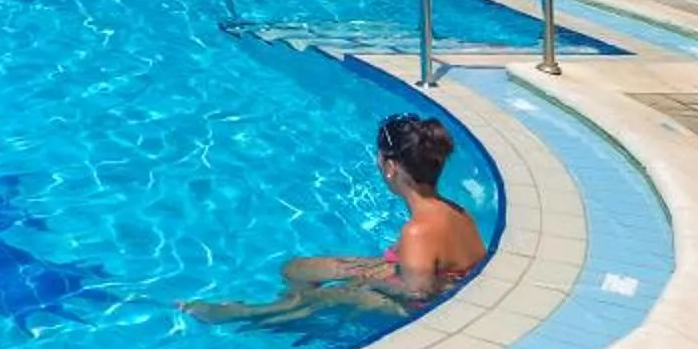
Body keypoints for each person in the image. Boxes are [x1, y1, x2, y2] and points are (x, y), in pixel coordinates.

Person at [187, 115, 489, 324]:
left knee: (328, 296)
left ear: (390, 167)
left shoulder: (418, 230)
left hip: (415, 306)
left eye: (379, 156)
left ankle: (249, 314)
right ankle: (295, 305)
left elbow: (419, 296)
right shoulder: (451, 210)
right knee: (297, 269)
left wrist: (362, 284)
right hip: (420, 277)